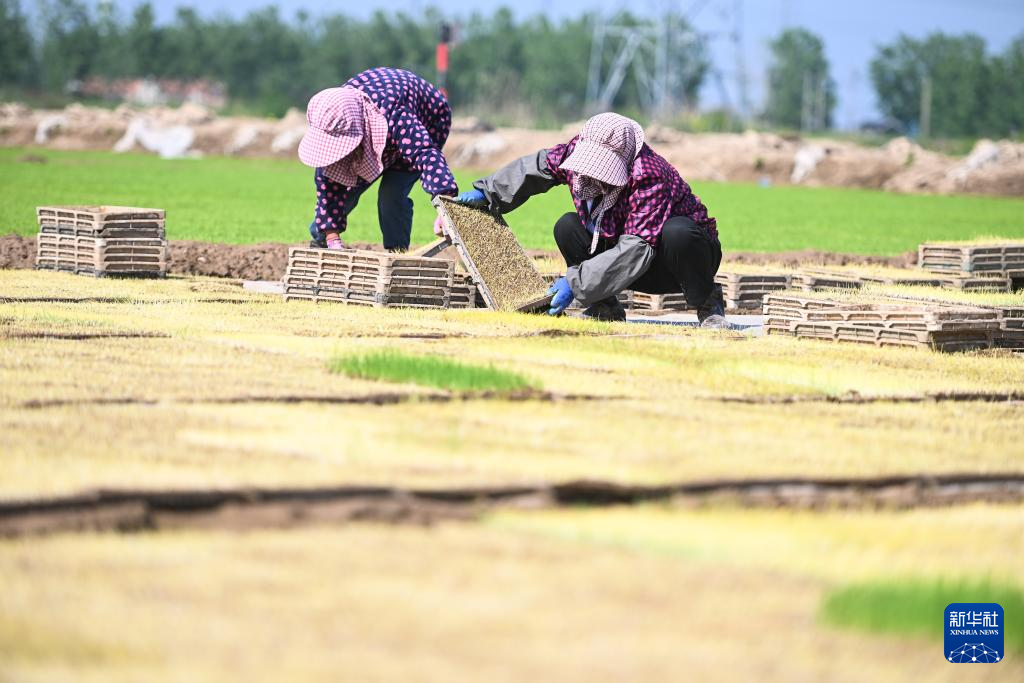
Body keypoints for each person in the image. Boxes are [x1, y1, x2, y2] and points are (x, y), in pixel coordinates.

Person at [457, 113, 726, 327]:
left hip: (674, 264)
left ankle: (708, 305)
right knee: (568, 226)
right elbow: (537, 167)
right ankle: (605, 306)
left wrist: (576, 283)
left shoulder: (649, 174)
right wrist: (489, 191)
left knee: (677, 232)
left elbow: (638, 248)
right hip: (624, 261)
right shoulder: (574, 150)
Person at [298, 67, 457, 252]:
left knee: (392, 194)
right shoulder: (332, 114)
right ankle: (321, 240)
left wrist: (446, 206)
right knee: (346, 189)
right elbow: (328, 185)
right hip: (383, 122)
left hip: (429, 120)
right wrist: (333, 240)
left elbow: (425, 154)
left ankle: (397, 253)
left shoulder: (396, 116)